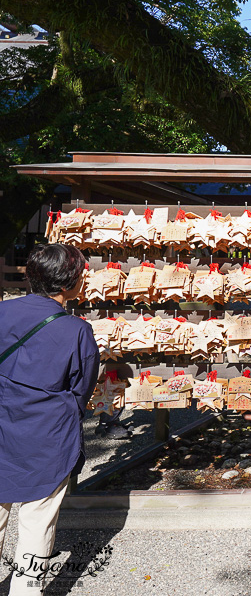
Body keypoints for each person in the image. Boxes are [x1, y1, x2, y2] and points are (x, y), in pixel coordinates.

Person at [0, 244, 99, 596]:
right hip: (47, 436)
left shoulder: (2, 312)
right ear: (70, 283)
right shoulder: (76, 331)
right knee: (37, 522)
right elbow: (82, 388)